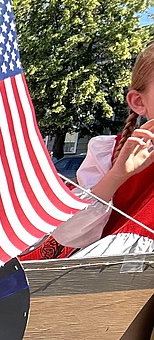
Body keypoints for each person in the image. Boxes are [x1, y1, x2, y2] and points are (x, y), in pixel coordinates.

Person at [48, 42, 154, 258]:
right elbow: (68, 235)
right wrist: (116, 176)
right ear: (139, 101)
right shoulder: (110, 151)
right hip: (119, 284)